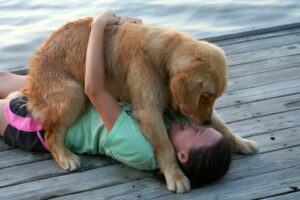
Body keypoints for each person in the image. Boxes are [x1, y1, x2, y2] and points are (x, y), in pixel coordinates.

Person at [0, 10, 232, 187]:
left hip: (34, 124)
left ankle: (56, 144)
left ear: (182, 156)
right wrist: (131, 36)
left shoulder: (142, 149)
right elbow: (199, 107)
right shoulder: (175, 127)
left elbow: (94, 90)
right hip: (65, 89)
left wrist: (99, 26)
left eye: (199, 131)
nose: (197, 123)